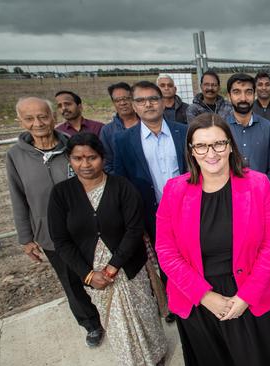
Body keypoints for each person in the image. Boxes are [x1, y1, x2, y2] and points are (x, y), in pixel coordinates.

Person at [155, 113, 270, 366]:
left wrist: (246, 296)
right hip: (199, 299)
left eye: (218, 143)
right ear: (191, 151)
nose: (211, 153)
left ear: (230, 145)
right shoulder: (174, 190)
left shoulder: (258, 184)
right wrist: (204, 296)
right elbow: (165, 249)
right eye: (202, 146)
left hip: (250, 293)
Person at [48, 133, 167, 366]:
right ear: (69, 160)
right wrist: (89, 275)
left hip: (129, 266)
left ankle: (156, 355)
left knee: (143, 313)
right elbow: (61, 240)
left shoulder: (122, 187)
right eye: (77, 158)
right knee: (115, 322)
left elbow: (134, 229)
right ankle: (132, 360)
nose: (85, 164)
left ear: (102, 158)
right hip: (92, 272)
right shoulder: (61, 194)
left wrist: (113, 267)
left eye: (91, 157)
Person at [6, 97, 102, 347]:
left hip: (87, 229)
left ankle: (113, 313)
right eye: (29, 118)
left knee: (99, 273)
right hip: (50, 234)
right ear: (21, 121)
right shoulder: (16, 156)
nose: (37, 123)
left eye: (42, 116)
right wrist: (25, 238)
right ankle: (90, 324)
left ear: (53, 117)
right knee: (71, 281)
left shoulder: (73, 146)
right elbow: (18, 196)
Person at [113, 81, 188, 326]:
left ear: (163, 101)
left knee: (194, 252)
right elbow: (122, 182)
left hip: (188, 209)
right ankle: (175, 301)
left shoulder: (184, 132)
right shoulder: (124, 141)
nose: (148, 104)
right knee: (166, 258)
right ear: (134, 106)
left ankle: (198, 293)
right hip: (152, 214)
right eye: (141, 100)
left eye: (153, 99)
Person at [226, 73, 270, 194]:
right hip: (229, 198)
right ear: (229, 96)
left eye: (248, 92)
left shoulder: (268, 128)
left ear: (254, 95)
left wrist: (262, 194)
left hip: (261, 196)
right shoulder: (221, 129)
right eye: (237, 92)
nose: (243, 98)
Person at [99, 82, 140, 174]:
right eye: (117, 100)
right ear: (113, 103)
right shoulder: (107, 131)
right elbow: (107, 163)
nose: (122, 103)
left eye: (126, 98)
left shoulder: (147, 124)